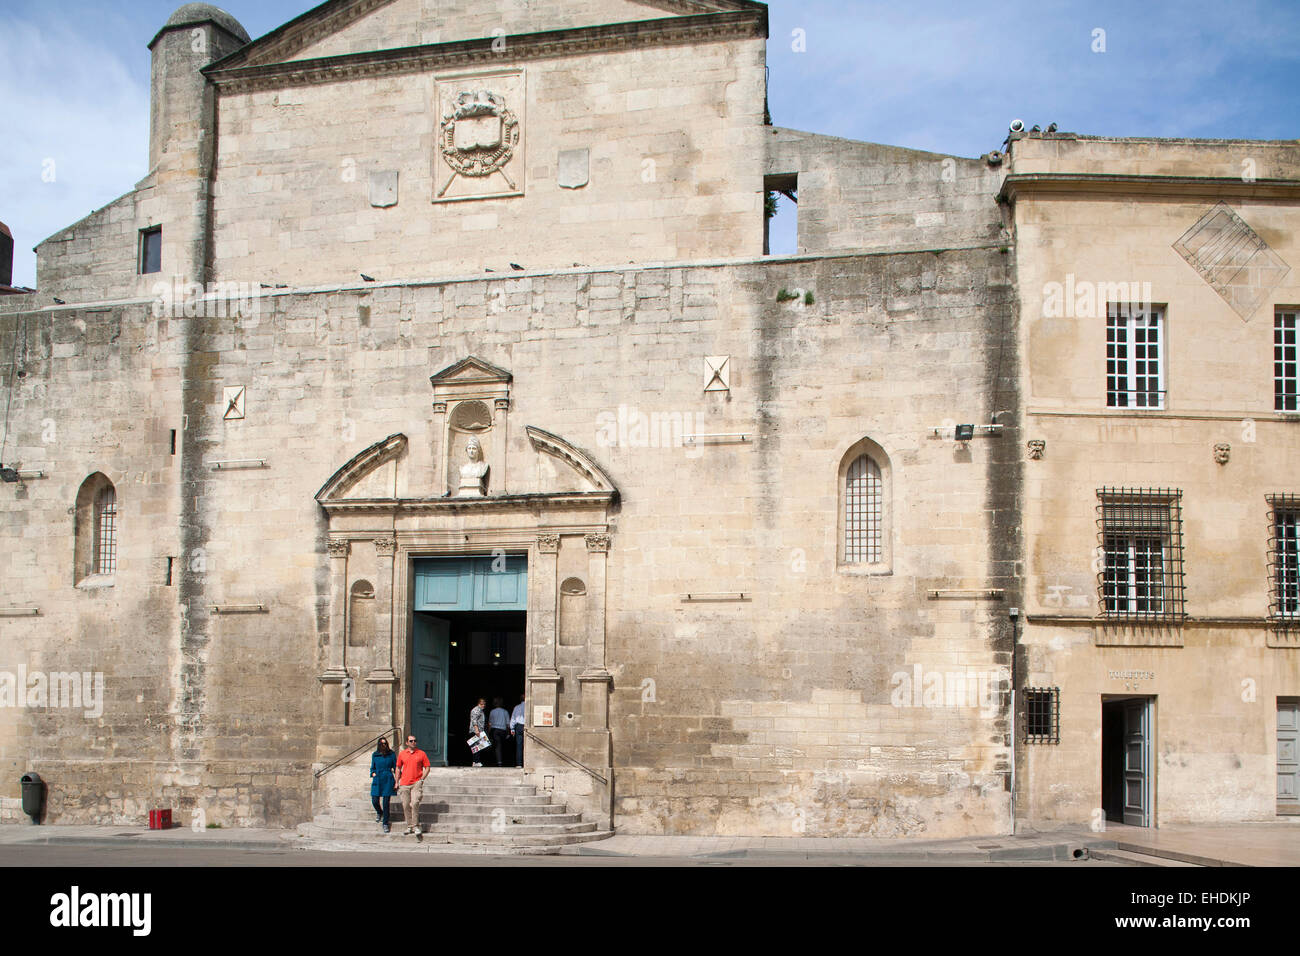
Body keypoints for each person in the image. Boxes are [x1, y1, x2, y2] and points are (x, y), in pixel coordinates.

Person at [395, 733, 430, 835]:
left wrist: (422, 779)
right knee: (406, 805)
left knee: (415, 803)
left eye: (415, 740)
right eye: (411, 741)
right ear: (406, 743)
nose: (413, 742)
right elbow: (398, 768)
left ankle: (416, 826)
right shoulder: (402, 754)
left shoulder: (421, 753)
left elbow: (427, 767)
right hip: (404, 783)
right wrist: (396, 782)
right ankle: (409, 826)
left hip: (416, 783)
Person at [369, 735, 398, 833]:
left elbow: (396, 767)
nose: (384, 745)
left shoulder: (391, 754)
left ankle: (385, 823)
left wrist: (397, 781)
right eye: (382, 743)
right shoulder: (375, 754)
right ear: (379, 744)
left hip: (388, 779)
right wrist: (373, 773)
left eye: (385, 743)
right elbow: (372, 767)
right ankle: (379, 812)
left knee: (386, 803)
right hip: (377, 779)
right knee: (374, 800)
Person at [488, 697, 511, 767]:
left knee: (497, 746)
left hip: (495, 730)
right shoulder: (505, 712)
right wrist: (508, 733)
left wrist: (488, 733)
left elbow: (490, 724)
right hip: (503, 730)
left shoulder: (492, 711)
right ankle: (501, 761)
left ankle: (498, 761)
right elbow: (508, 724)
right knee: (502, 746)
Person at [468, 697, 487, 767]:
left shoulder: (481, 710)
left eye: (484, 704)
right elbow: (474, 720)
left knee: (480, 746)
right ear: (479, 703)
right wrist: (476, 730)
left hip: (480, 731)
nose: (483, 705)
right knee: (476, 746)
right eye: (482, 704)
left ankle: (475, 761)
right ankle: (476, 761)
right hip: (475, 731)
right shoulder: (476, 710)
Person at [509, 693, 526, 767]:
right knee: (528, 745)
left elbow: (513, 718)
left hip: (518, 726)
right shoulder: (529, 706)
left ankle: (519, 764)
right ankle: (527, 763)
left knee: (519, 746)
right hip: (527, 726)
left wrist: (512, 728)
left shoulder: (516, 707)